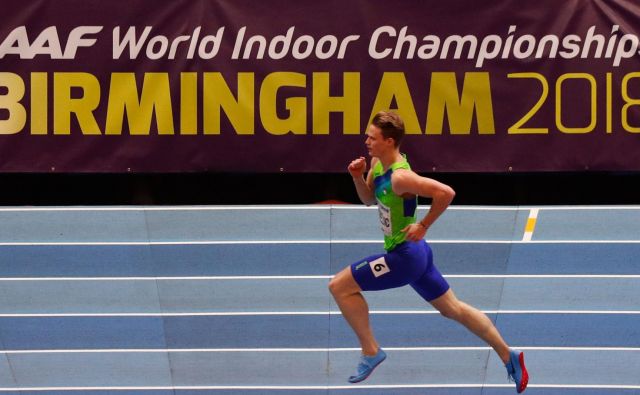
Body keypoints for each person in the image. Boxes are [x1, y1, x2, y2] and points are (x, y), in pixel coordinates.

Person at [328, 111, 529, 393]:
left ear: (388, 141)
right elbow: (367, 199)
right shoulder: (377, 164)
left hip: (404, 258)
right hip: (417, 255)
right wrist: (357, 177)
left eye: (372, 138)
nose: (366, 142)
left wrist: (423, 224)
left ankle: (371, 350)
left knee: (339, 286)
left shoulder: (401, 178)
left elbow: (446, 193)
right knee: (453, 309)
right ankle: (509, 355)